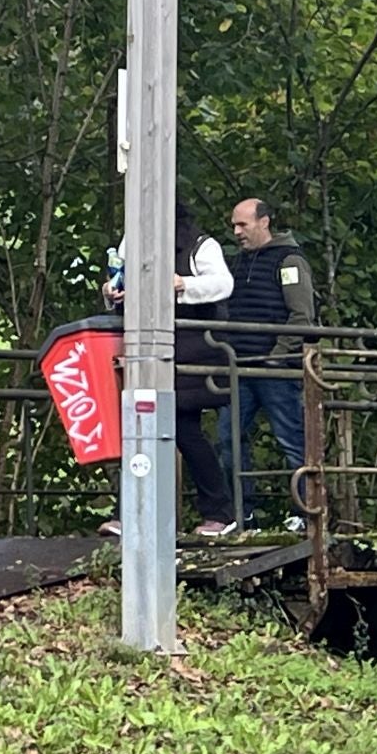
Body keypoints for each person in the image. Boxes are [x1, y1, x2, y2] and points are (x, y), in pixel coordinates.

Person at [103, 202, 236, 537]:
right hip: (145, 352)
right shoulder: (130, 242)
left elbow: (223, 284)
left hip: (188, 355)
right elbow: (118, 278)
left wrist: (184, 285)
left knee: (175, 430)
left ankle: (140, 513)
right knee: (151, 428)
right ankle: (214, 512)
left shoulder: (201, 245)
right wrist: (112, 292)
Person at [219, 197, 315, 530]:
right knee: (228, 438)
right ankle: (242, 514)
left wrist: (277, 356)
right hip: (240, 367)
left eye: (242, 224)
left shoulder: (288, 260)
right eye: (234, 224)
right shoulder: (236, 264)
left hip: (274, 368)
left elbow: (302, 315)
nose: (236, 231)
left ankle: (306, 512)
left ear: (264, 222)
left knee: (292, 438)